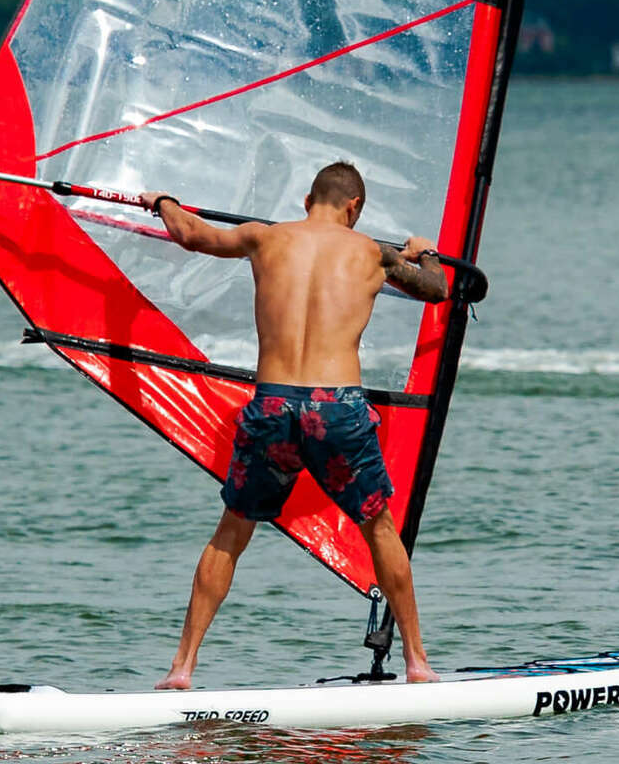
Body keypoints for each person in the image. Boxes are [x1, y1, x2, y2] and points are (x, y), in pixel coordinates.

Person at [141, 161, 451, 688]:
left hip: (273, 405)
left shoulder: (265, 239)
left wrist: (162, 200)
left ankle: (182, 668)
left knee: (231, 532)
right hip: (338, 409)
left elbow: (189, 233)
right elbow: (436, 289)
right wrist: (424, 252)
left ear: (308, 198)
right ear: (355, 209)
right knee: (379, 528)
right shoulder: (373, 252)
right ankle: (418, 664)